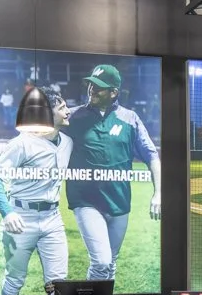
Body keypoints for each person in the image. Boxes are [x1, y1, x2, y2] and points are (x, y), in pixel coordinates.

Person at [57, 63, 159, 283]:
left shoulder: (130, 119)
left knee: (111, 263)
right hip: (86, 201)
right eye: (91, 84)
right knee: (101, 261)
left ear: (114, 92)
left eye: (99, 87)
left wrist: (158, 193)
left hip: (119, 201)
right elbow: (44, 137)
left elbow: (152, 156)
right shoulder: (73, 117)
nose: (92, 89)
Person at [0, 103, 72, 295]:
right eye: (61, 107)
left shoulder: (68, 142)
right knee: (14, 280)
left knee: (59, 285)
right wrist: (7, 212)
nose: (67, 111)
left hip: (53, 217)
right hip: (20, 217)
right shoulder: (21, 143)